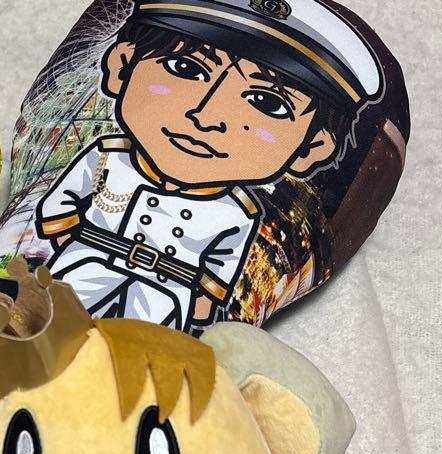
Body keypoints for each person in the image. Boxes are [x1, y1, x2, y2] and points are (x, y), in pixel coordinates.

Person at [36, 0, 382, 332]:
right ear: (122, 66)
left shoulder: (239, 214)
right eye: (185, 68)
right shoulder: (105, 156)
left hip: (164, 298)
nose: (206, 116)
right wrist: (73, 250)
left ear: (313, 147)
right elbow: (59, 210)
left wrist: (199, 314)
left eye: (266, 103)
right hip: (85, 267)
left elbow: (217, 276)